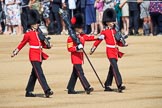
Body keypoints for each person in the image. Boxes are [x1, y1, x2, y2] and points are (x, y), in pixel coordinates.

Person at [11, 9, 53, 98]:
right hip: (33, 56)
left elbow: (41, 44)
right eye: (36, 23)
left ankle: (28, 91)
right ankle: (47, 90)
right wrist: (16, 51)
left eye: (38, 23)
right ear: (32, 24)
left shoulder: (39, 33)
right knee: (40, 73)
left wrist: (48, 46)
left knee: (34, 74)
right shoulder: (28, 34)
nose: (37, 24)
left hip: (40, 55)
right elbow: (22, 43)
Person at [90, 8, 126, 93]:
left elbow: (118, 42)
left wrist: (123, 44)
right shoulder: (104, 32)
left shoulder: (115, 31)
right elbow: (98, 40)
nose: (113, 23)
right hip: (109, 51)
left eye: (113, 21)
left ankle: (107, 85)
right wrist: (93, 48)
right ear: (106, 22)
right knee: (115, 68)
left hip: (115, 51)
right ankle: (120, 84)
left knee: (112, 68)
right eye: (111, 21)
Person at [66, 13, 95, 94]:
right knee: (80, 72)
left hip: (80, 57)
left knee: (75, 73)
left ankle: (70, 88)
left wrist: (97, 37)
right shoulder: (71, 37)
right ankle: (87, 87)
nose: (81, 29)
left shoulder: (81, 36)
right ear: (76, 28)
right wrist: (77, 48)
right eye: (80, 28)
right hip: (75, 57)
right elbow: (69, 48)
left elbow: (88, 37)